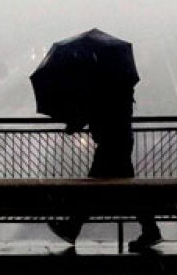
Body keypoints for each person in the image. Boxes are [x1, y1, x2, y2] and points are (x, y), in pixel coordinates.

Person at [49, 86, 162, 252]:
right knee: (128, 190)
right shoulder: (119, 89)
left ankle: (72, 227)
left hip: (110, 144)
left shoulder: (104, 89)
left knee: (92, 187)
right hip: (120, 141)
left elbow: (94, 111)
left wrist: (74, 124)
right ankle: (151, 229)